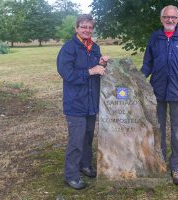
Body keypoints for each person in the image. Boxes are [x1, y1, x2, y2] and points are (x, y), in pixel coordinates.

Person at [141, 5, 178, 186]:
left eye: (173, 17)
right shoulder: (154, 38)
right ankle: (160, 161)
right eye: (166, 17)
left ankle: (177, 166)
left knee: (177, 132)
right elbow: (147, 64)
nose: (170, 20)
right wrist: (137, 81)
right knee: (158, 130)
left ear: (177, 20)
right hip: (157, 90)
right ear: (161, 19)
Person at [57, 14, 109, 190]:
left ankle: (85, 165)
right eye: (83, 27)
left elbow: (97, 70)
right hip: (76, 103)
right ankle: (71, 175)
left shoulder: (94, 47)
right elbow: (67, 74)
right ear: (76, 28)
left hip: (91, 102)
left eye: (89, 27)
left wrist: (101, 63)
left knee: (87, 138)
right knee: (76, 140)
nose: (87, 30)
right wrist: (91, 70)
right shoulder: (69, 48)